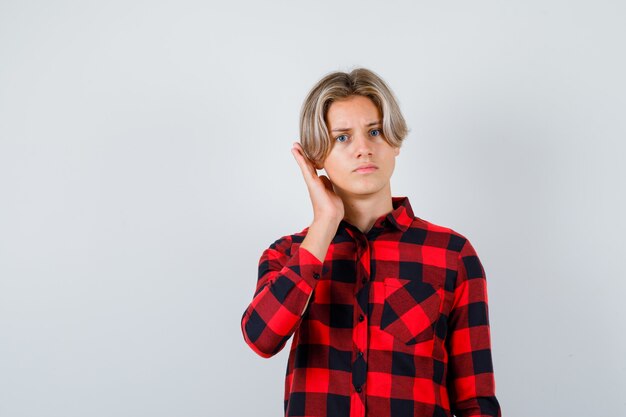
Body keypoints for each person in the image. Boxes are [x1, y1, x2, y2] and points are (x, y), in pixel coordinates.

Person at [241, 68, 502, 417]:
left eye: (375, 131)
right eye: (343, 138)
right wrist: (324, 224)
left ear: (394, 143)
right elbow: (261, 338)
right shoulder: (287, 254)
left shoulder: (452, 255)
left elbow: (475, 402)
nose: (363, 149)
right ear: (316, 156)